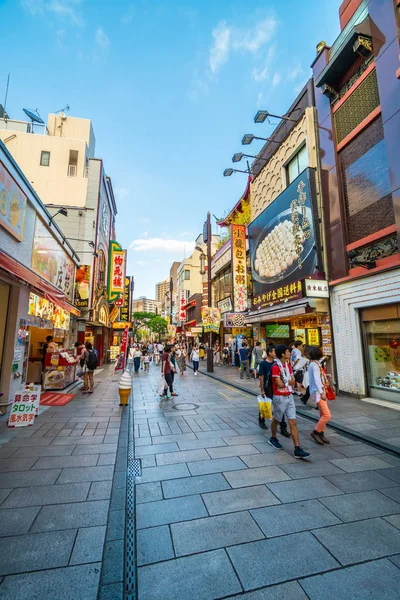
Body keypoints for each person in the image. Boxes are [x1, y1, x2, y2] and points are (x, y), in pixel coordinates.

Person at [268, 344, 310, 459]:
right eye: (287, 351)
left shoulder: (288, 366)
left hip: (289, 396)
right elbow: (279, 384)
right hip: (279, 397)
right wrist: (287, 382)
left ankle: (297, 448)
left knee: (293, 422)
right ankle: (273, 437)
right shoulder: (276, 367)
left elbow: (293, 380)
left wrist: (286, 382)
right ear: (282, 354)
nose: (289, 353)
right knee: (276, 419)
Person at [258, 346, 290, 437]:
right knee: (265, 404)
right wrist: (262, 390)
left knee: (281, 407)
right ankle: (261, 420)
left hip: (276, 388)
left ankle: (283, 427)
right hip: (268, 388)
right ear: (269, 353)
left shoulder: (277, 363)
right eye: (273, 352)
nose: (275, 353)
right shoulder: (263, 364)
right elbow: (262, 377)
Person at [309, 346, 332, 444]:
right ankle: (316, 432)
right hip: (318, 392)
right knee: (327, 415)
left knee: (322, 414)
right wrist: (322, 392)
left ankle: (321, 433)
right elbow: (317, 379)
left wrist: (325, 376)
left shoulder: (315, 364)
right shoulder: (314, 365)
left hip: (319, 391)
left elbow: (318, 377)